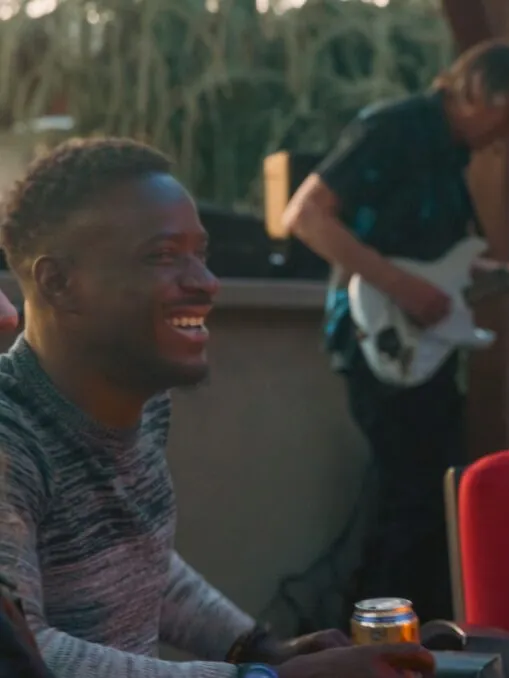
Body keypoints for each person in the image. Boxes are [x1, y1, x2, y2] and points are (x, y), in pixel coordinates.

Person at [0, 138, 435, 678]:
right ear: (59, 283)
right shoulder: (8, 437)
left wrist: (258, 649)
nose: (206, 283)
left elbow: (142, 561)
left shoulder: (143, 401)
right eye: (162, 256)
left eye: (199, 255)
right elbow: (22, 654)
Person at [282, 39, 509, 622]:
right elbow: (305, 214)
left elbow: (442, 265)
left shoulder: (451, 157)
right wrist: (402, 287)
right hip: (374, 336)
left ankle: (420, 632)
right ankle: (376, 636)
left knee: (434, 498)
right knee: (409, 502)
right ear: (475, 92)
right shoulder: (393, 127)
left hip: (422, 355)